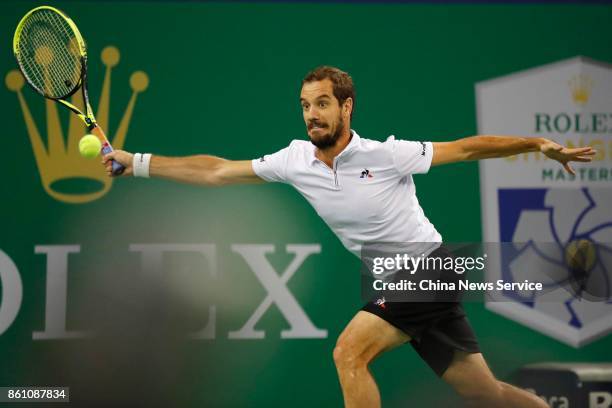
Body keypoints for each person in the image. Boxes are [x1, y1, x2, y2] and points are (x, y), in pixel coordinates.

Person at [103, 66, 594, 408]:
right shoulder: (294, 160)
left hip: (427, 268)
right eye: (304, 106)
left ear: (346, 107)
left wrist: (537, 144)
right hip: (405, 278)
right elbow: (214, 171)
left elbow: (466, 149)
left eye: (322, 104)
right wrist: (136, 162)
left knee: (348, 353)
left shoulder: (387, 155)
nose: (311, 114)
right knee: (483, 393)